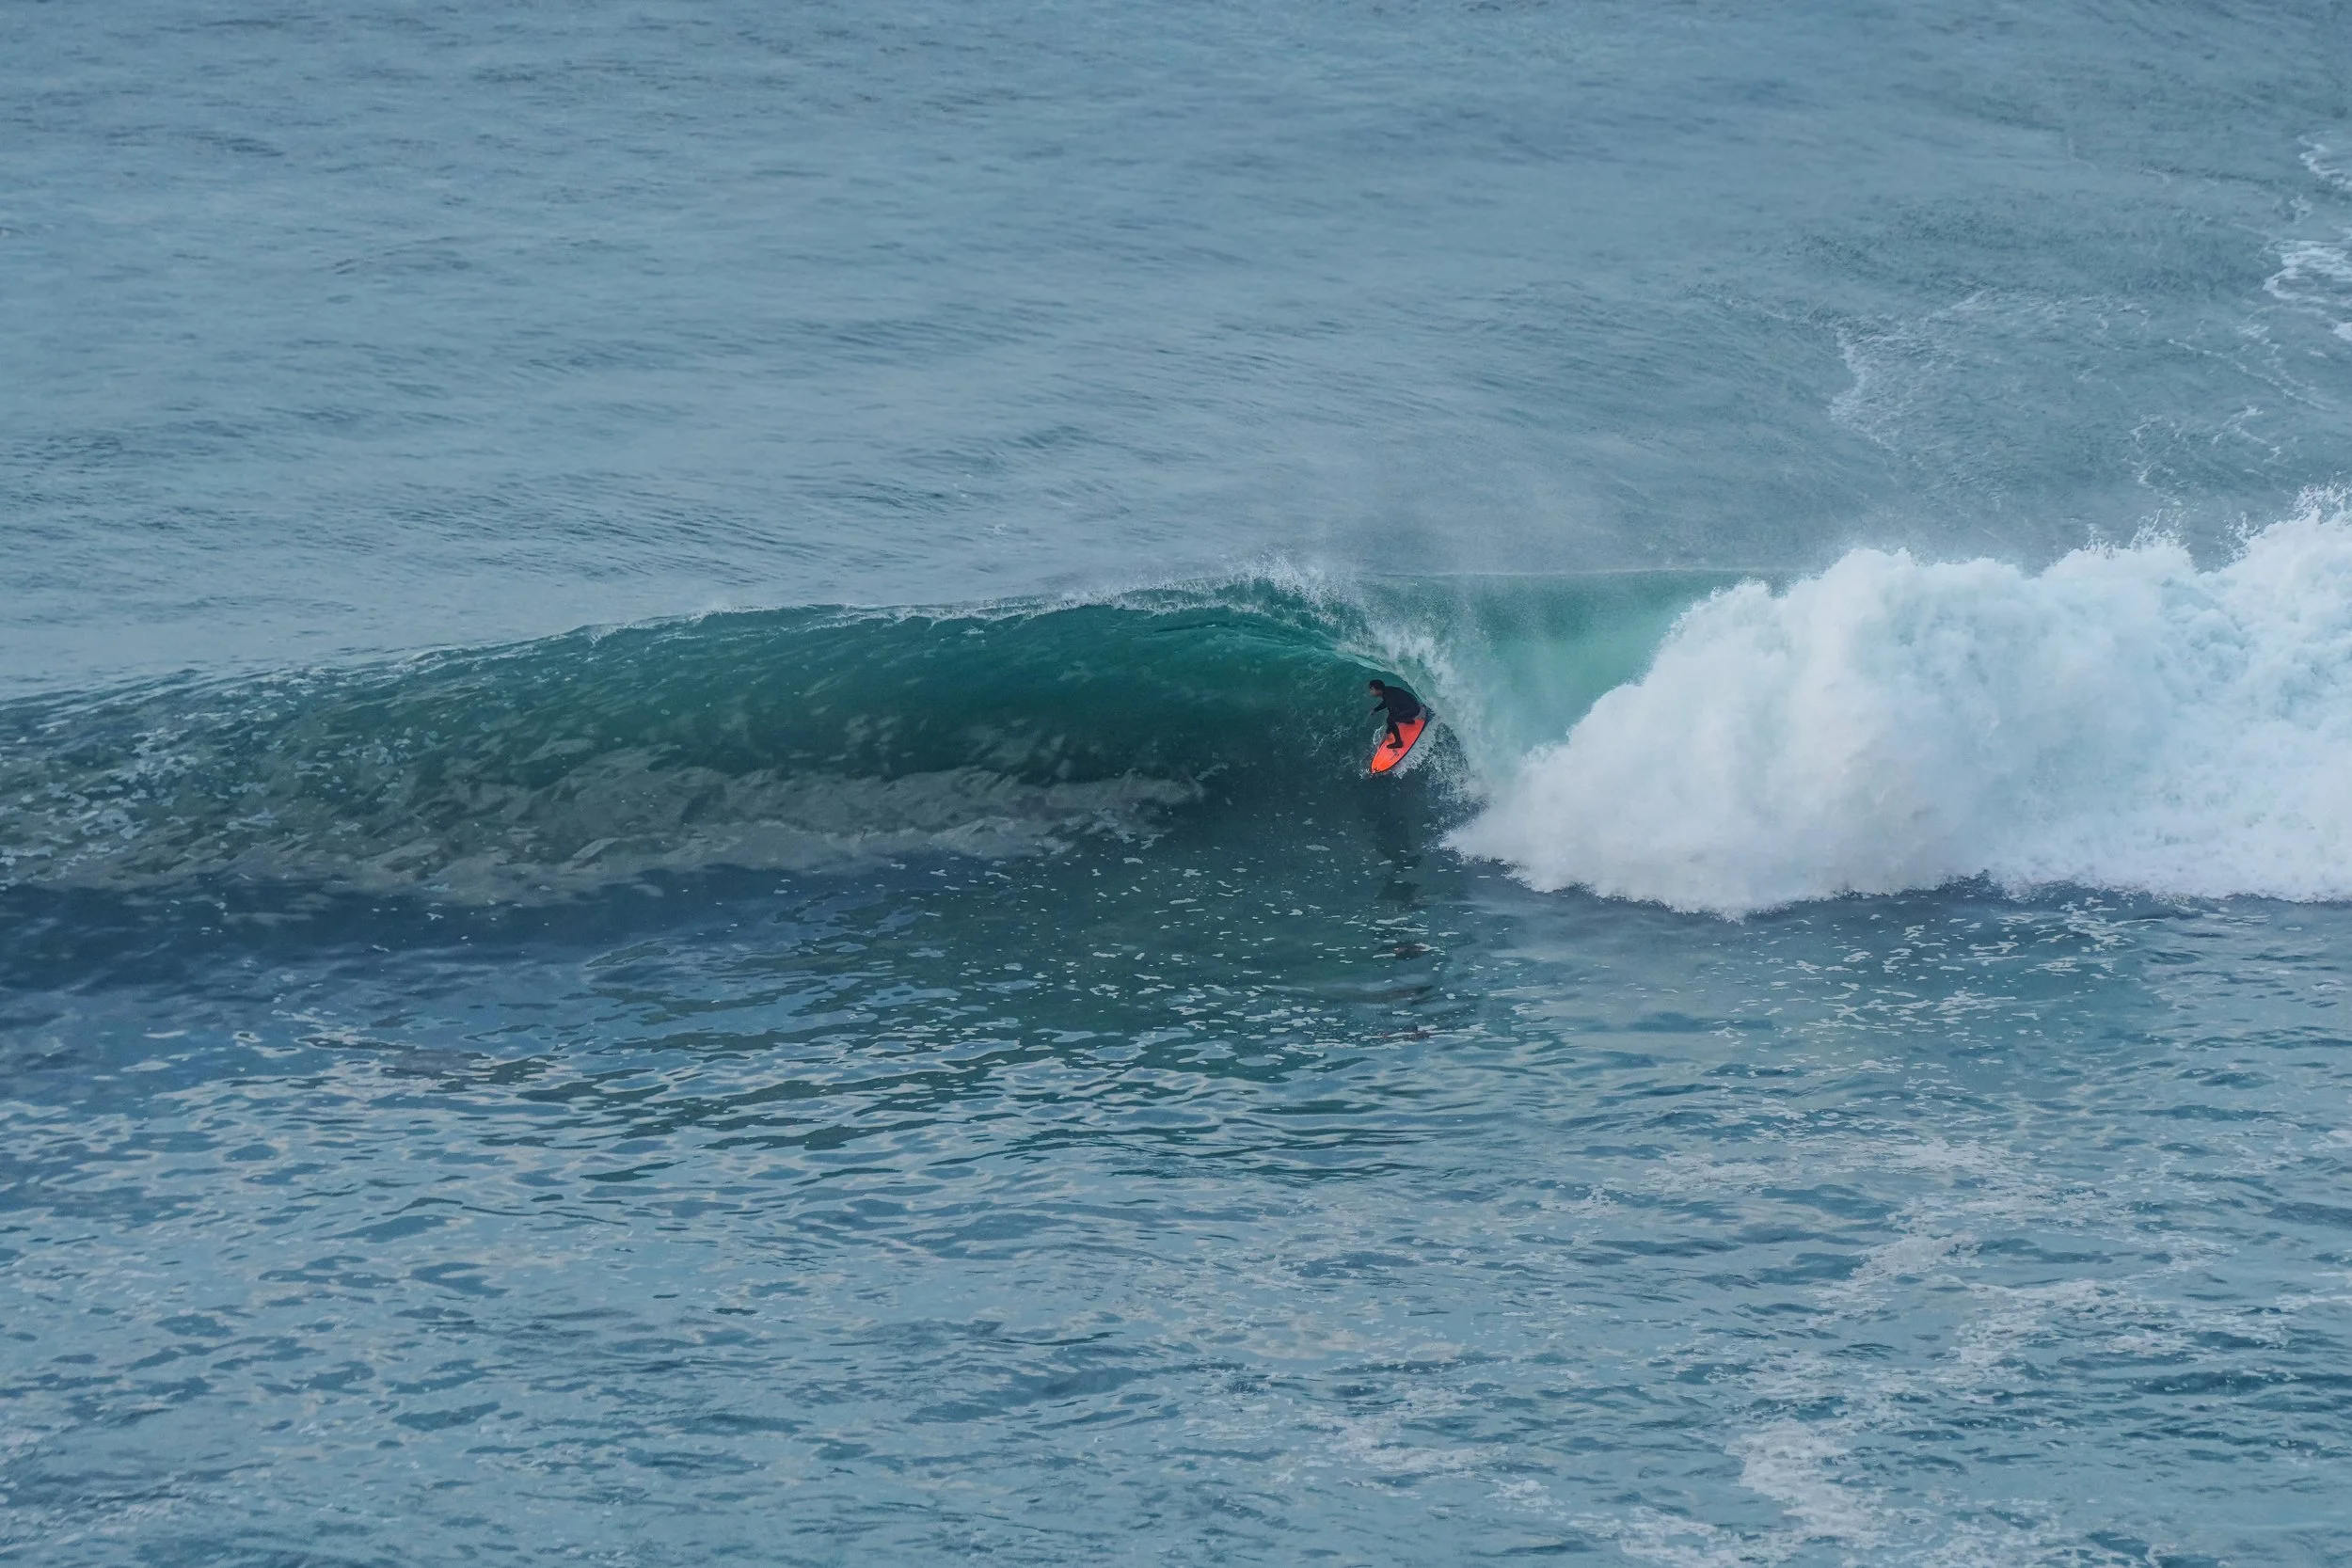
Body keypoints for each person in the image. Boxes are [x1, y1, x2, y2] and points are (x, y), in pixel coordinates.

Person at [1368, 679, 1424, 747]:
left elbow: (1391, 716)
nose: (1371, 692)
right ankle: (1409, 720)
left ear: (1379, 690)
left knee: (1390, 720)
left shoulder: (1390, 698)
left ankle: (1398, 743)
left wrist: (1387, 733)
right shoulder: (1387, 690)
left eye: (1372, 689)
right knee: (1395, 716)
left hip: (1414, 710)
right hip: (1413, 704)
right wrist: (1375, 709)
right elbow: (1385, 703)